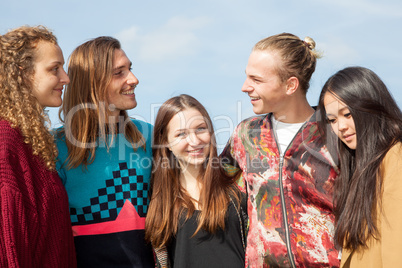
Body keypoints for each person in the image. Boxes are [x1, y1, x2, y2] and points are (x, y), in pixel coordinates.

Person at [220, 33, 341, 267]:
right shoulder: (245, 135)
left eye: (256, 79)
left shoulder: (335, 132)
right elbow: (212, 184)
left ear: (290, 85)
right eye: (247, 77)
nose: (245, 87)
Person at [54, 36, 154, 267]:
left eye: (130, 69)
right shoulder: (53, 147)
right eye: (119, 72)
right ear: (92, 83)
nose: (134, 79)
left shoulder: (150, 137)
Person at [0, 25, 76, 267]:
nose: (65, 78)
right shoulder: (6, 142)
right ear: (22, 74)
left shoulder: (31, 138)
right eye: (54, 69)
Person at [145, 94, 247, 268]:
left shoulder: (238, 186)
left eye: (200, 129)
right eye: (181, 134)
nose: (194, 141)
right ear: (166, 142)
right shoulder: (156, 198)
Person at [318, 66, 402, 268]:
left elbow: (396, 249)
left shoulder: (395, 158)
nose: (340, 127)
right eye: (332, 120)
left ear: (373, 107)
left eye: (347, 114)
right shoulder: (360, 168)